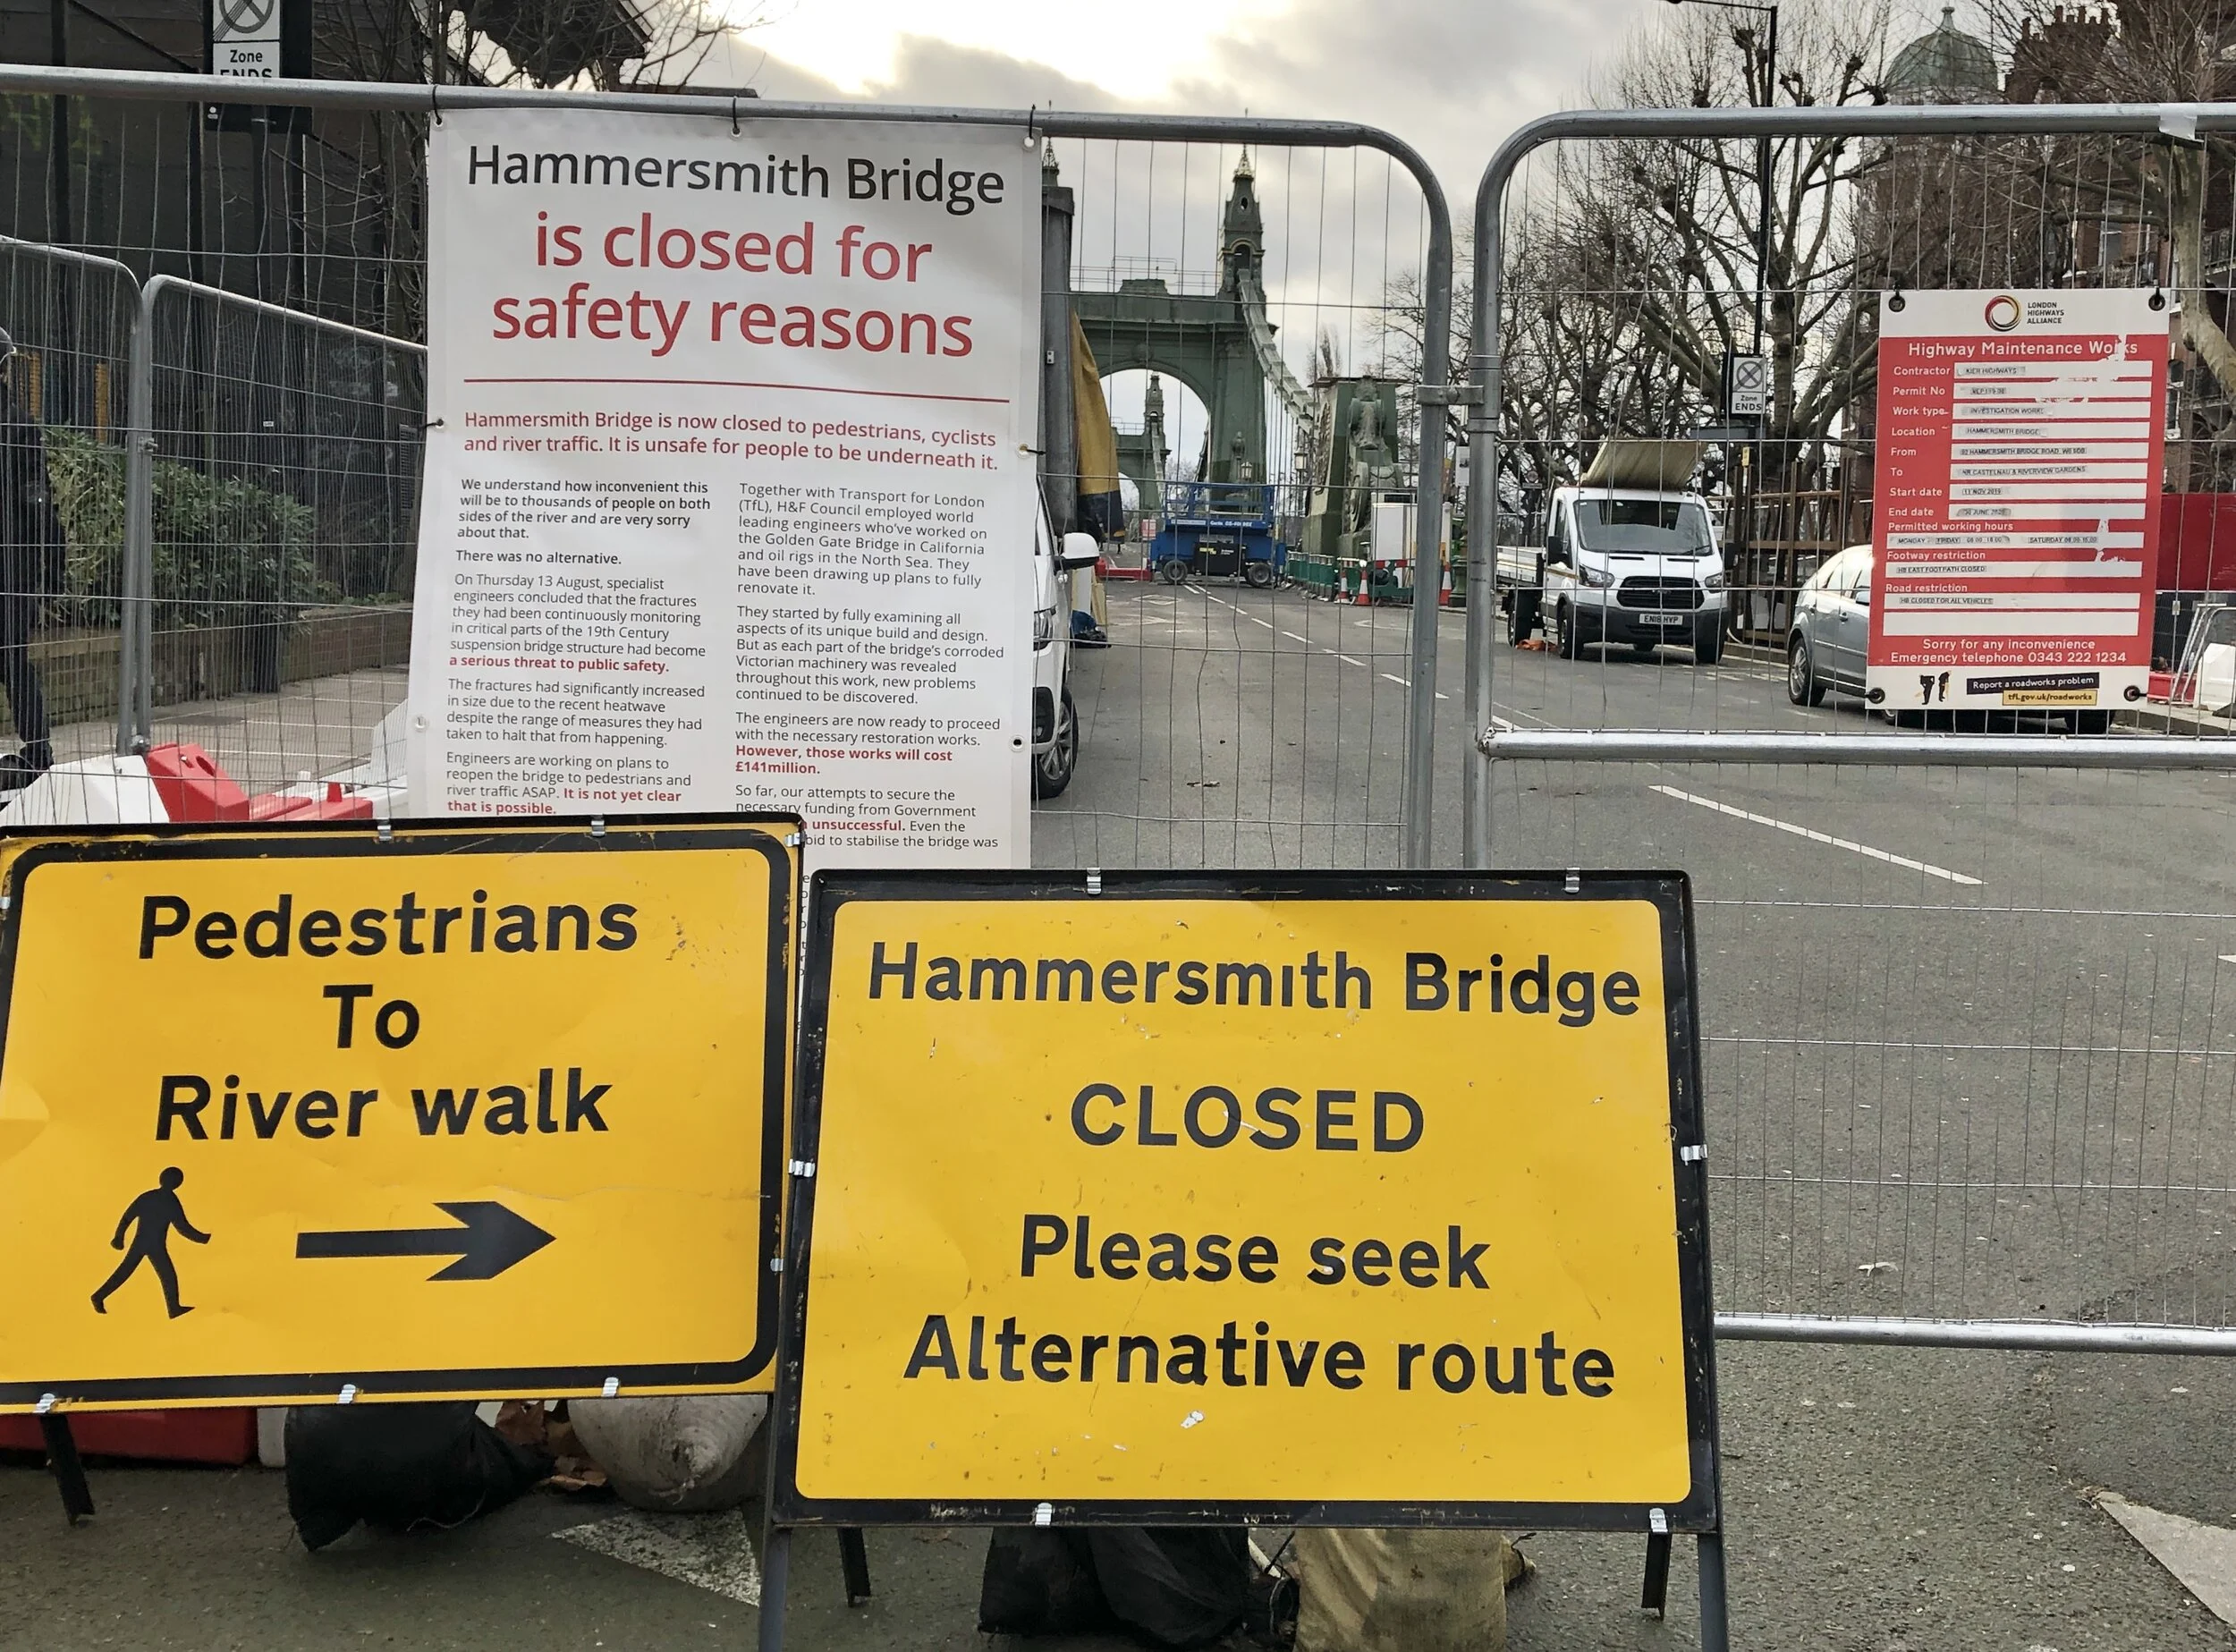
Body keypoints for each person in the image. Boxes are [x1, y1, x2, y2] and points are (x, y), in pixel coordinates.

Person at [0, 326, 58, 787]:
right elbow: (40, 505)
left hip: (13, 566)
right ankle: (37, 751)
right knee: (14, 659)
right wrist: (52, 571)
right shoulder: (19, 427)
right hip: (12, 568)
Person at [92, 1166, 210, 1318]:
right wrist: (203, 1239)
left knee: (163, 1275)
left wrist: (119, 1237)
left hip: (152, 1245)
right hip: (148, 1244)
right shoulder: (163, 1200)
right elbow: (182, 1227)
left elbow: (181, 1226)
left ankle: (173, 1308)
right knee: (130, 1273)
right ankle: (98, 1297)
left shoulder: (155, 1198)